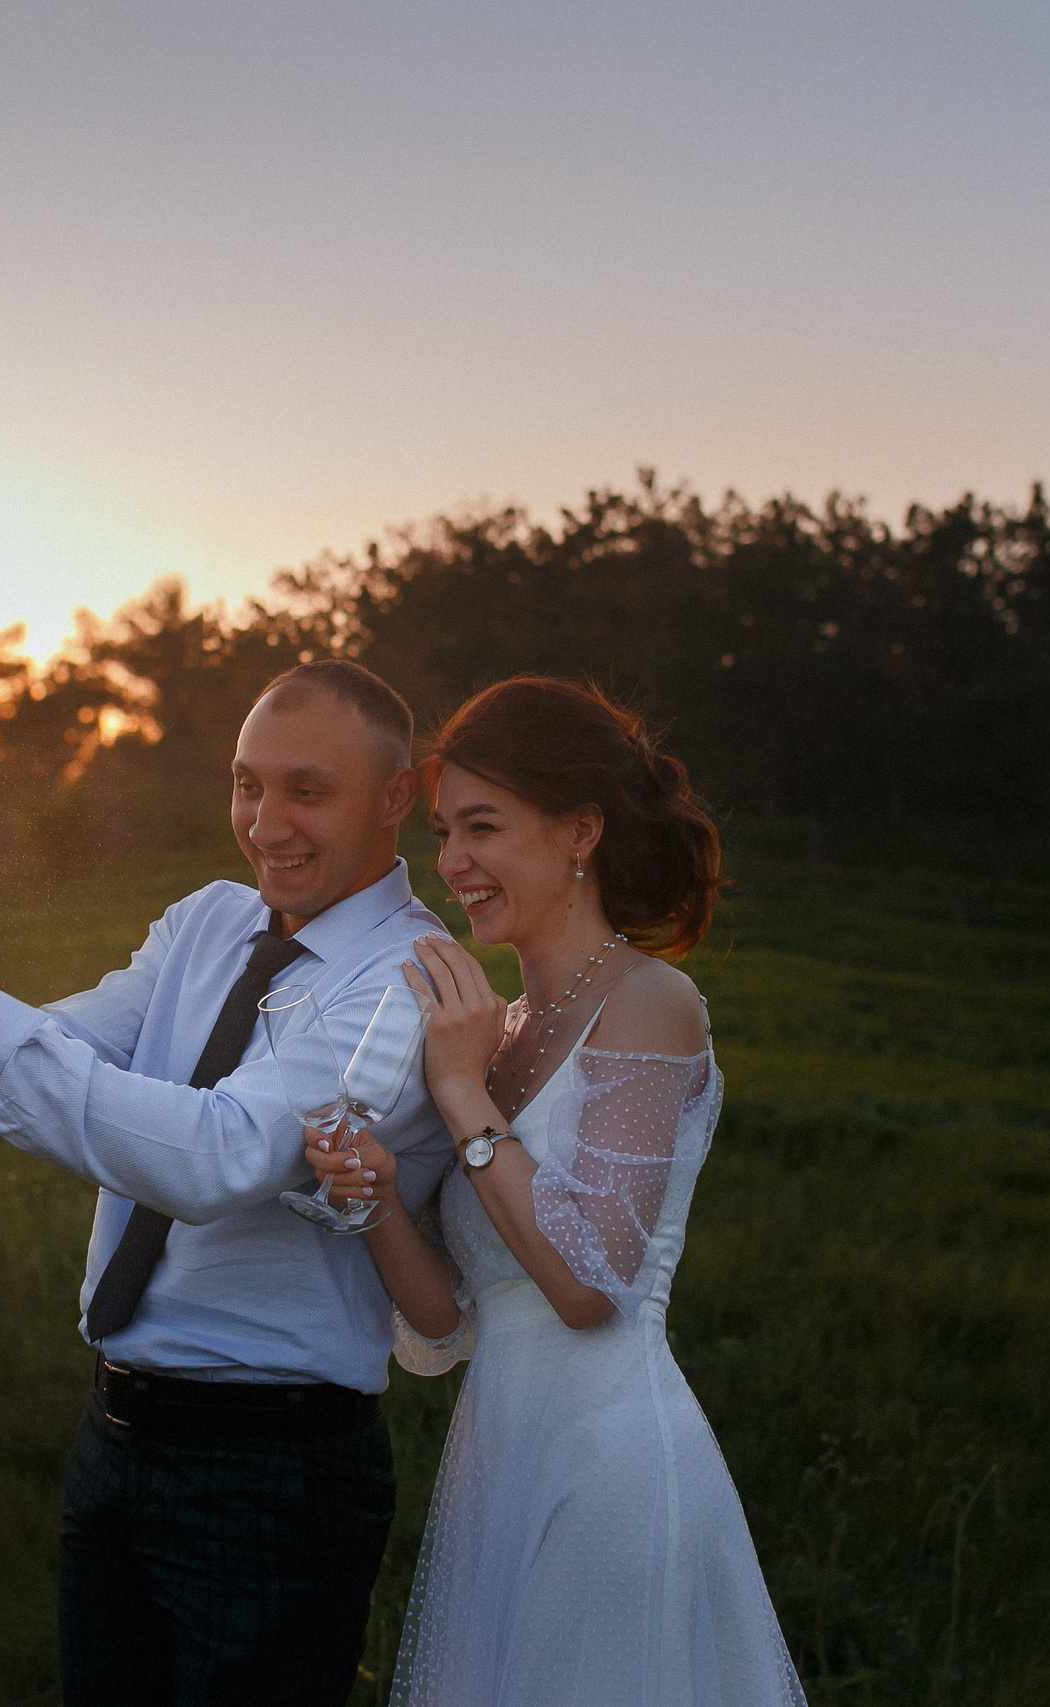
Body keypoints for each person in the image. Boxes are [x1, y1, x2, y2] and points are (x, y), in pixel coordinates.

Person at [0, 660, 453, 1707]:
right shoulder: (205, 922)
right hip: (114, 1438)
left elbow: (219, 1154)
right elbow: (59, 1050)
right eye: (245, 784)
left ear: (396, 796)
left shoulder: (409, 980)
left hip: (273, 1473)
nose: (265, 822)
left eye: (306, 791)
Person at [306, 675, 807, 1706]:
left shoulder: (650, 1002)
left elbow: (587, 1285)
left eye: (482, 828)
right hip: (501, 1467)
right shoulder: (501, 1038)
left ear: (581, 829)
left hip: (608, 1465)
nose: (451, 865)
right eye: (444, 832)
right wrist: (375, 1200)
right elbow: (446, 1321)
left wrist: (455, 1092)